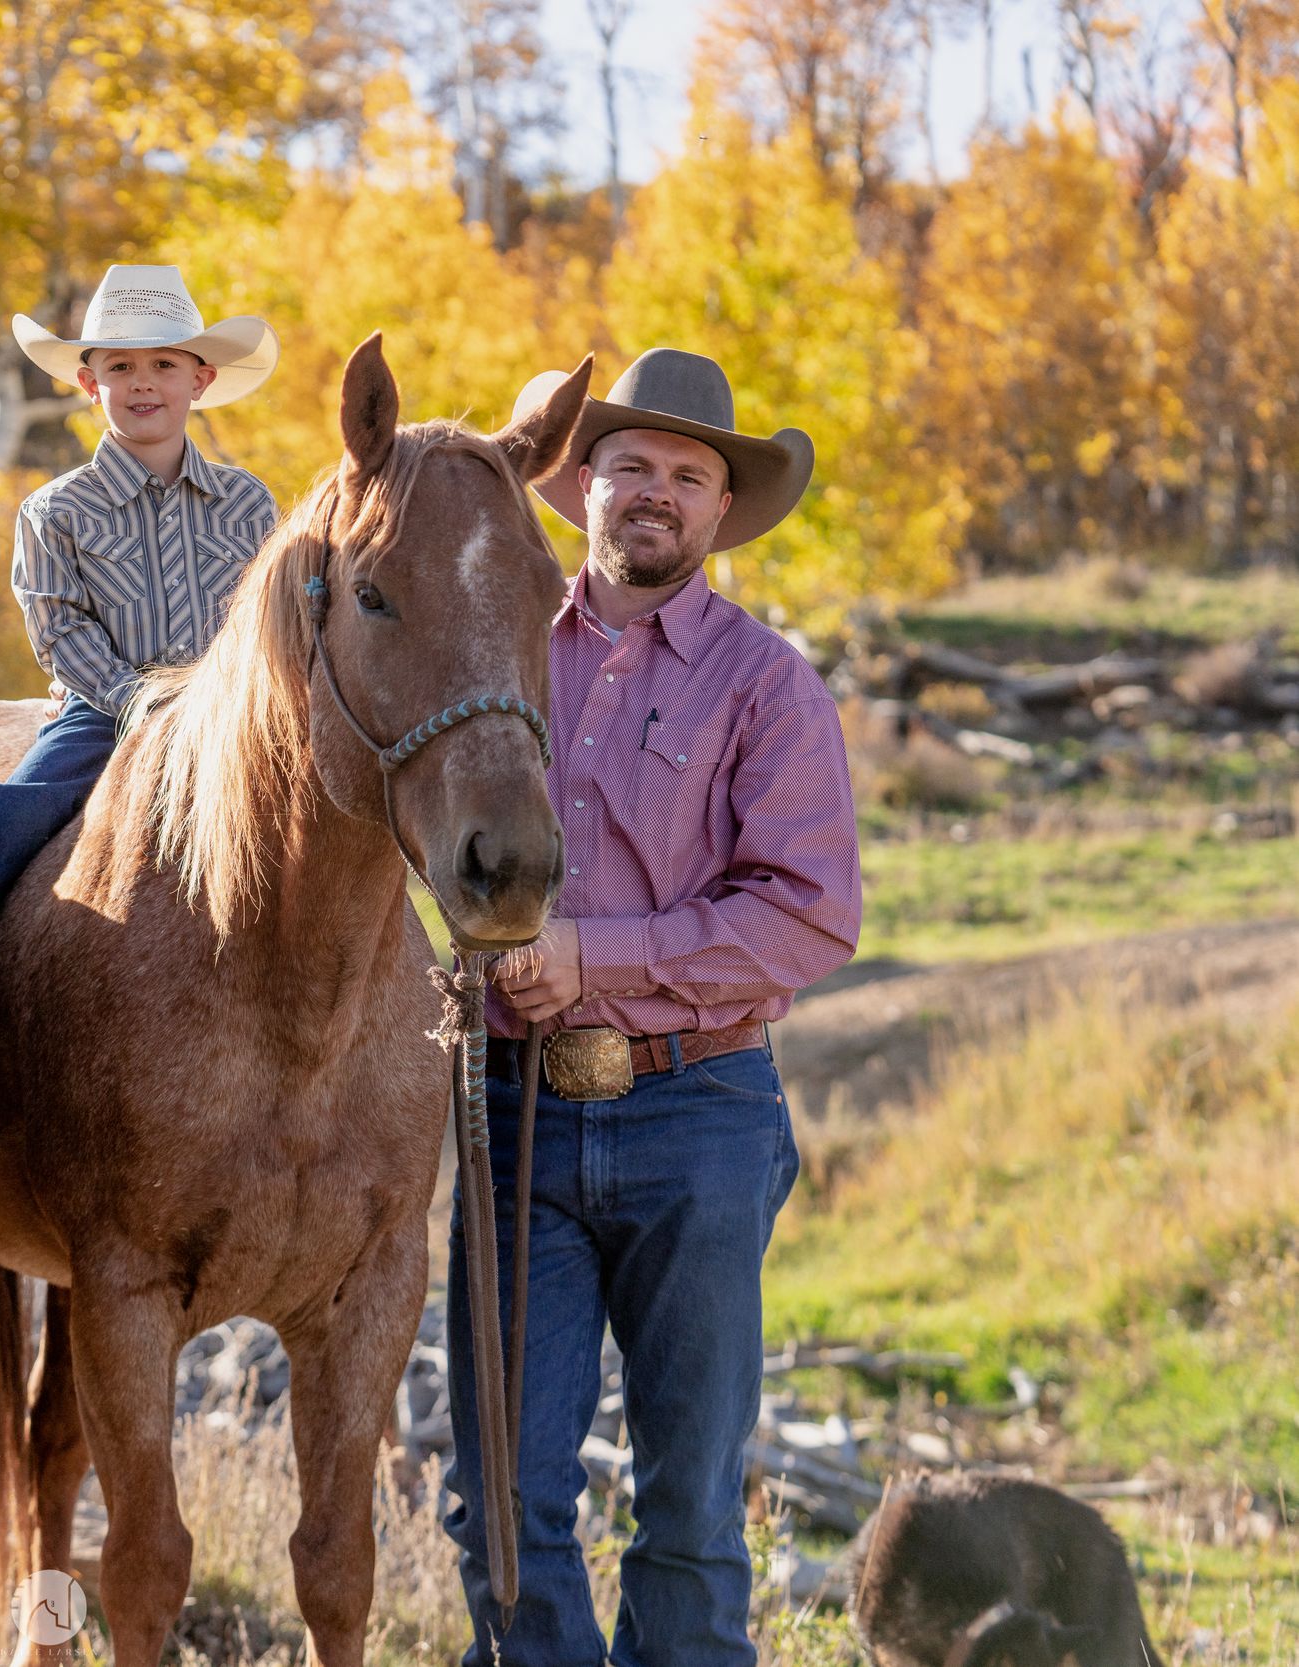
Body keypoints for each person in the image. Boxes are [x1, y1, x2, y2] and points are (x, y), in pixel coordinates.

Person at [442, 350, 863, 1665]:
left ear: (720, 510)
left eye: (690, 476)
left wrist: (593, 956)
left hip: (700, 1107)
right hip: (512, 1109)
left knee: (688, 1494)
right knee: (505, 1495)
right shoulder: (497, 646)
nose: (658, 495)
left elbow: (807, 912)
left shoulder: (766, 684)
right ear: (583, 489)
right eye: (633, 467)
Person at [0, 263, 281, 964]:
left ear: (200, 380)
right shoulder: (55, 510)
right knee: (10, 817)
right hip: (104, 715)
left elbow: (272, 620)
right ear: (88, 384)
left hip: (230, 714)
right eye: (121, 366)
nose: (143, 381)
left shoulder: (249, 503)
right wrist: (142, 702)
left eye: (164, 363)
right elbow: (59, 629)